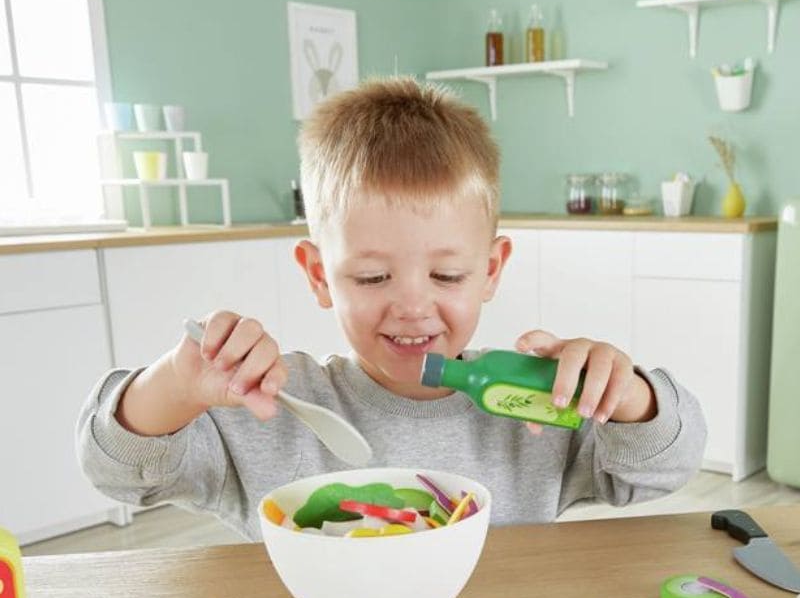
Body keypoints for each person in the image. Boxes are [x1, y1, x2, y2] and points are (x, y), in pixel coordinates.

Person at [77, 78, 706, 540]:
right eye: (373, 276)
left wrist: (625, 394)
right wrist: (177, 386)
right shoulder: (271, 408)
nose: (411, 305)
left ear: (490, 270)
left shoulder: (531, 405)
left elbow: (665, 468)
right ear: (319, 275)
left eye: (447, 275)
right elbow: (118, 473)